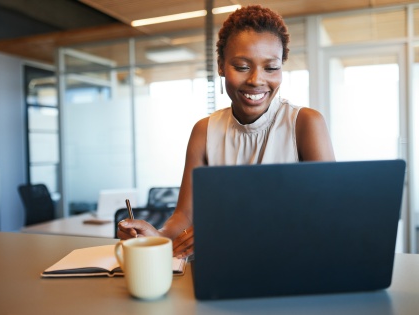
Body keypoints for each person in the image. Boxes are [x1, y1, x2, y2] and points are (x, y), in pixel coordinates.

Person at [117, 5, 335, 258]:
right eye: (242, 67)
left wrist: (228, 228)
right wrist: (158, 237)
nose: (256, 79)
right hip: (224, 265)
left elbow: (327, 217)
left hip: (291, 264)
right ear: (221, 66)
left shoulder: (305, 123)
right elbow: (185, 215)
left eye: (271, 68)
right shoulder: (204, 130)